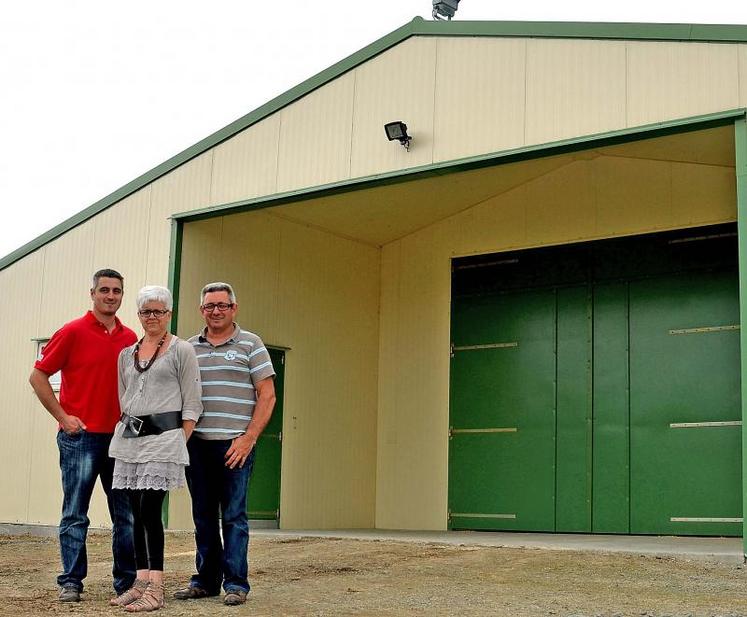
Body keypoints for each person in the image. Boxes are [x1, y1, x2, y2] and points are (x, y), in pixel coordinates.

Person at [29, 269, 137, 603]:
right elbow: (38, 376)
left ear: (122, 296)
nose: (110, 296)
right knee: (76, 512)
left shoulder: (130, 337)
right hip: (81, 438)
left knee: (126, 515)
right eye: (104, 290)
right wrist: (63, 418)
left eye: (116, 291)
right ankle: (71, 581)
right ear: (92, 293)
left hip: (120, 439)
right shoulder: (72, 332)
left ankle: (126, 582)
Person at [174, 281, 276, 607]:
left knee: (234, 517)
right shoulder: (189, 348)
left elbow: (267, 395)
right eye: (209, 306)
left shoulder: (251, 344)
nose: (216, 311)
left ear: (234, 308)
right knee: (203, 516)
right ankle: (205, 581)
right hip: (199, 446)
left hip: (236, 446)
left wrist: (248, 439)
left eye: (222, 305)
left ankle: (236, 583)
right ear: (201, 310)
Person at [107, 285, 202, 612]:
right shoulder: (127, 354)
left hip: (164, 441)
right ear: (139, 315)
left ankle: (156, 588)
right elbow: (125, 396)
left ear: (169, 314)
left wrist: (178, 440)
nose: (152, 317)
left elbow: (193, 403)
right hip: (131, 441)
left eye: (158, 311)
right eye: (146, 311)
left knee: (150, 511)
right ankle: (140, 581)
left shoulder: (181, 350)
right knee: (134, 513)